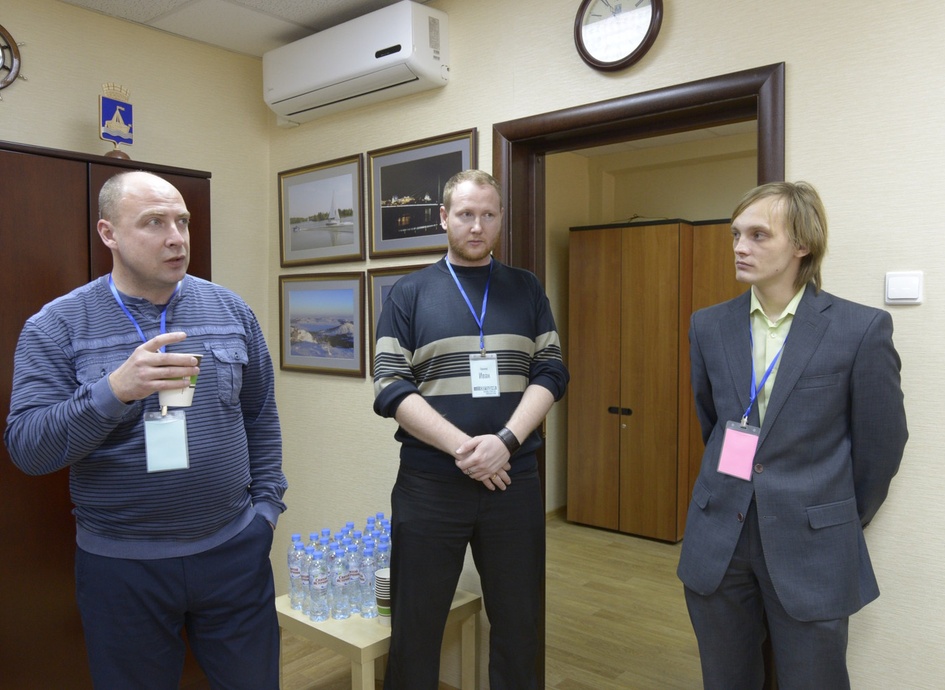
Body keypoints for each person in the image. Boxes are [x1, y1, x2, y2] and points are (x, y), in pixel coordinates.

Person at [4, 171, 287, 689]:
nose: (176, 238)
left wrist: (265, 512)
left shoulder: (232, 311)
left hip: (233, 553)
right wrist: (115, 390)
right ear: (108, 233)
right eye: (154, 223)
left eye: (182, 221)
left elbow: (260, 417)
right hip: (122, 568)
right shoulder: (56, 325)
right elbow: (28, 448)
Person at [677, 181, 908, 688]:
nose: (740, 247)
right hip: (719, 538)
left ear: (802, 244)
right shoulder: (708, 326)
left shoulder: (859, 329)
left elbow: (881, 445)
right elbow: (712, 423)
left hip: (812, 545)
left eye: (758, 235)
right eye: (736, 234)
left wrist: (834, 515)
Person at [372, 169, 569, 689]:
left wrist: (505, 443)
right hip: (430, 484)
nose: (477, 226)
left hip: (512, 481)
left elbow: (552, 371)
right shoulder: (409, 293)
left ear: (501, 219)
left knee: (520, 623)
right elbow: (390, 387)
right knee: (416, 625)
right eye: (465, 214)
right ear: (444, 218)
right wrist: (468, 450)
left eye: (488, 214)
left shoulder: (526, 288)